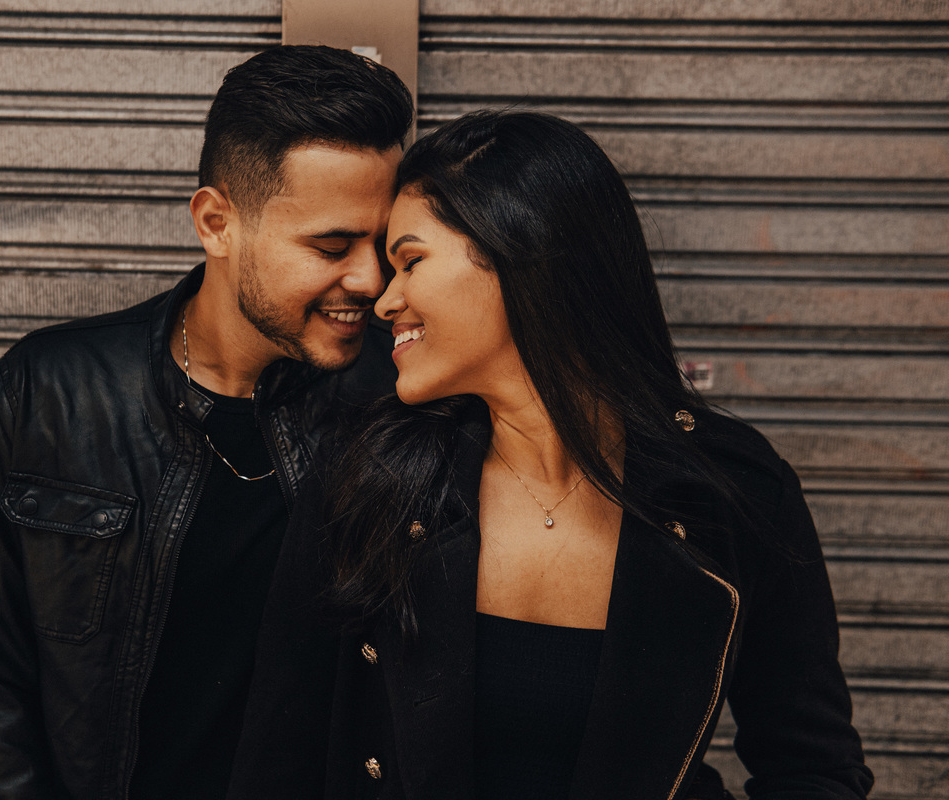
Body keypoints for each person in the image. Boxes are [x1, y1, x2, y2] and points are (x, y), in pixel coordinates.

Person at [226, 110, 873, 800]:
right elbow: (279, 761)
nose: (385, 301)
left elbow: (813, 768)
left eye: (410, 261)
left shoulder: (733, 489)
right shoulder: (367, 473)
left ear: (522, 253)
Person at [0, 45, 411, 799]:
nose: (372, 280)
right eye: (331, 246)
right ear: (217, 223)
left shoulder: (403, 397)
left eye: (383, 244)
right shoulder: (54, 391)